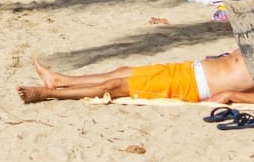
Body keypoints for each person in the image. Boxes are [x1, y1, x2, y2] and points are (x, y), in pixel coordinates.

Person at [17, 49, 254, 104]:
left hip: (193, 85)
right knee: (121, 72)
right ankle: (60, 80)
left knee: (116, 85)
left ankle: (44, 93)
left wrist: (231, 95)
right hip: (189, 69)